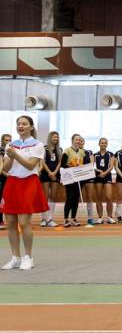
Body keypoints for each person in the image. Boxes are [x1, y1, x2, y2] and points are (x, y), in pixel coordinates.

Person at [0, 116, 48, 271]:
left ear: (31, 127)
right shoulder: (11, 145)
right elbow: (6, 168)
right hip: (12, 183)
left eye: (24, 124)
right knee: (10, 222)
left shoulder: (37, 144)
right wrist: (9, 157)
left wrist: (15, 155)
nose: (20, 126)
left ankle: (28, 257)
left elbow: (30, 165)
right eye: (18, 124)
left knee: (23, 222)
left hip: (29, 182)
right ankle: (15, 257)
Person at [61, 134, 91, 227]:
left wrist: (82, 168)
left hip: (79, 177)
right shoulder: (67, 150)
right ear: (72, 140)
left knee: (76, 198)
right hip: (70, 177)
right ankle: (66, 219)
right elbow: (63, 164)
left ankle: (73, 218)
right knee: (69, 197)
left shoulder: (82, 152)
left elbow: (85, 163)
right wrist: (72, 167)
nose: (78, 141)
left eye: (79, 140)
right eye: (76, 139)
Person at [40, 131, 62, 227]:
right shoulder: (44, 149)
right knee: (45, 196)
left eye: (57, 137)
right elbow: (42, 162)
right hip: (46, 174)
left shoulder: (59, 149)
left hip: (56, 174)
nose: (56, 139)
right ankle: (43, 219)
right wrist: (49, 172)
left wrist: (55, 172)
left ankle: (50, 219)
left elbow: (60, 162)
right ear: (50, 138)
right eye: (54, 137)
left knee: (53, 196)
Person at [93, 138, 115, 224]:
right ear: (99, 144)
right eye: (102, 143)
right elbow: (92, 166)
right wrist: (98, 171)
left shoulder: (110, 154)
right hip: (98, 177)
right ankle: (100, 217)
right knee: (98, 197)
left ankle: (110, 217)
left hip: (107, 176)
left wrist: (105, 173)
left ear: (107, 144)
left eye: (105, 143)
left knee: (109, 197)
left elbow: (111, 166)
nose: (103, 144)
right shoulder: (95, 155)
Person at [0, 133, 12, 230]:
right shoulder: (1, 150)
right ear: (2, 141)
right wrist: (7, 175)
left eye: (9, 140)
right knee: (1, 199)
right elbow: (2, 167)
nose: (8, 142)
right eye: (6, 140)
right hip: (3, 177)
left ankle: (11, 221)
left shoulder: (12, 151)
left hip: (11, 178)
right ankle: (0, 220)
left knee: (8, 200)